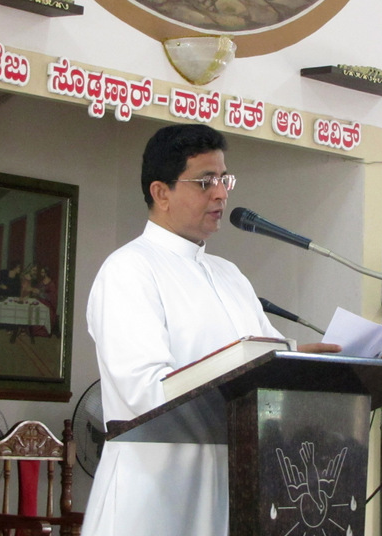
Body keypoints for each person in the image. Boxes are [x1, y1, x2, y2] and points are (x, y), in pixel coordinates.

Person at [81, 124, 340, 536]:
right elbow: (144, 391)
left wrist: (308, 364)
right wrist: (253, 371)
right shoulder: (129, 270)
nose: (220, 194)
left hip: (233, 487)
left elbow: (266, 360)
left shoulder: (229, 275)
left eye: (224, 179)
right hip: (155, 495)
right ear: (161, 193)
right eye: (205, 182)